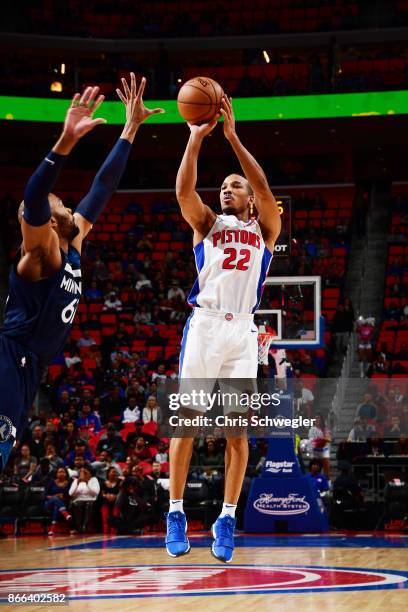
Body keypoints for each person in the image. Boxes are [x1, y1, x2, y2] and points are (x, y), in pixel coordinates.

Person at [0, 73, 164, 472]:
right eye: (59, 202)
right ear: (44, 222)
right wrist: (66, 140)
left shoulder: (72, 241)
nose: (66, 202)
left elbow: (102, 187)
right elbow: (36, 195)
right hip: (9, 359)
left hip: (31, 367)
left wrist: (131, 127)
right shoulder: (40, 256)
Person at [166, 96, 281, 561]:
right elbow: (183, 193)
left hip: (242, 334)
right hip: (206, 325)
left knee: (238, 432)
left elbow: (265, 188)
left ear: (250, 198)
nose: (226, 190)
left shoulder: (266, 228)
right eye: (223, 186)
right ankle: (175, 512)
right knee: (188, 422)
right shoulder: (208, 224)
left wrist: (232, 137)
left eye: (235, 186)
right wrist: (195, 140)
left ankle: (226, 518)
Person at [69, 465, 100, 534]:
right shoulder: (76, 481)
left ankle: (84, 526)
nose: (82, 474)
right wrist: (77, 484)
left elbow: (95, 493)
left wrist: (87, 483)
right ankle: (79, 526)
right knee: (78, 504)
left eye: (84, 472)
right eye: (81, 472)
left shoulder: (94, 480)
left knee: (88, 504)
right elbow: (71, 494)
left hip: (91, 500)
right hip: (78, 501)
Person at [45, 466, 72, 536]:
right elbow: (45, 495)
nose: (61, 474)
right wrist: (54, 496)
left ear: (66, 474)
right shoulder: (51, 482)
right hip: (49, 503)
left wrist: (63, 496)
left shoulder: (69, 483)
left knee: (57, 507)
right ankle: (65, 513)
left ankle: (53, 529)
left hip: (64, 503)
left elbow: (70, 494)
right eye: (59, 472)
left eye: (63, 472)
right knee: (55, 499)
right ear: (56, 474)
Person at [308, 413, 331, 479]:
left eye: (318, 418)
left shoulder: (325, 429)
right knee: (315, 470)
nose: (317, 419)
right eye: (316, 418)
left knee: (325, 470)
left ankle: (326, 482)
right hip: (315, 453)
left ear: (321, 419)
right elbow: (311, 441)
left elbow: (328, 440)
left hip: (324, 452)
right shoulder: (312, 429)